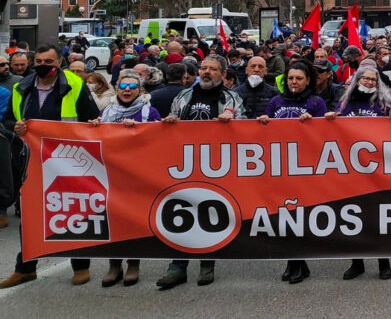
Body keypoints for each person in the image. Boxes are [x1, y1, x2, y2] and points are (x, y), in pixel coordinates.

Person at [0, 44, 100, 289]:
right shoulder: (20, 87)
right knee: (32, 215)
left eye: (50, 62)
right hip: (31, 160)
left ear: (59, 63)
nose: (44, 66)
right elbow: (8, 121)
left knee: (73, 211)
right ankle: (25, 268)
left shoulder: (75, 85)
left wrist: (96, 123)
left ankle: (81, 265)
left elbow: (92, 118)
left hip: (70, 160)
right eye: (40, 61)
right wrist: (16, 127)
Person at [157, 55, 245, 290]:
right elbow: (171, 121)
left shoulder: (232, 98)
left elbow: (246, 128)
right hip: (184, 164)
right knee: (180, 212)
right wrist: (170, 122)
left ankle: (207, 263)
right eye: (203, 68)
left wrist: (233, 121)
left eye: (213, 69)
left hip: (215, 164)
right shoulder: (184, 96)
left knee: (210, 213)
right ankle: (177, 266)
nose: (206, 72)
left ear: (223, 74)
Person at [324, 66, 391, 280]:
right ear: (356, 80)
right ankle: (357, 263)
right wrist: (329, 118)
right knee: (352, 218)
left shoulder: (385, 104)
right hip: (351, 171)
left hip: (377, 171)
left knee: (377, 218)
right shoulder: (345, 103)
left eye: (372, 80)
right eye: (364, 79)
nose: (368, 82)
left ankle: (383, 262)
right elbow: (332, 128)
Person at [88, 71, 163, 287]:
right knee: (113, 220)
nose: (127, 90)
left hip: (138, 176)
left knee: (134, 220)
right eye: (123, 86)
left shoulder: (150, 111)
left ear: (140, 90)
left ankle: (133, 263)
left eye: (132, 86)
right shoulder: (107, 111)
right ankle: (113, 265)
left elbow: (160, 140)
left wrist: (140, 130)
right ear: (117, 89)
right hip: (111, 175)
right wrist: (94, 127)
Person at [255, 61, 327, 284]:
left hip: (306, 168)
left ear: (308, 81)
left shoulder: (317, 102)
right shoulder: (276, 101)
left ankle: (297, 261)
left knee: (299, 217)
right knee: (284, 216)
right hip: (280, 167)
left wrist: (313, 123)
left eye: (299, 78)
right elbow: (262, 133)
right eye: (291, 78)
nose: (294, 82)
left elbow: (326, 133)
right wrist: (263, 122)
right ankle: (294, 262)